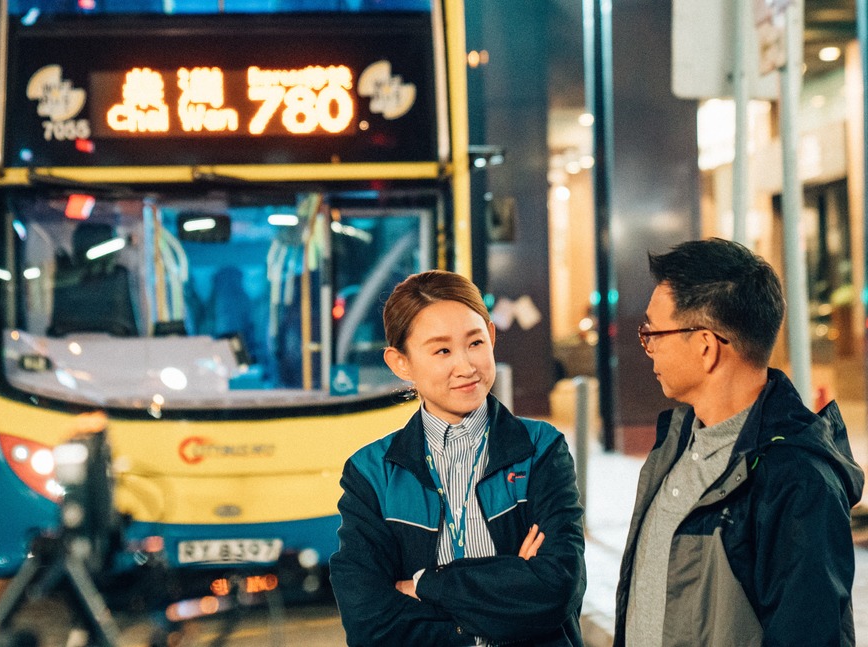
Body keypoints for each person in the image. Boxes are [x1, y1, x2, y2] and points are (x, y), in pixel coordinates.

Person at [614, 238, 865, 646]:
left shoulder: (797, 480)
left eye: (653, 333)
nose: (649, 347)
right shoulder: (675, 444)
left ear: (705, 347)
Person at [330, 269, 586, 646]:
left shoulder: (540, 450)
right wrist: (505, 589)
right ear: (401, 363)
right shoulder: (371, 474)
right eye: (442, 351)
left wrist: (424, 585)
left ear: (492, 337)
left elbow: (555, 590)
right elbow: (370, 622)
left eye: (475, 343)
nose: (466, 367)